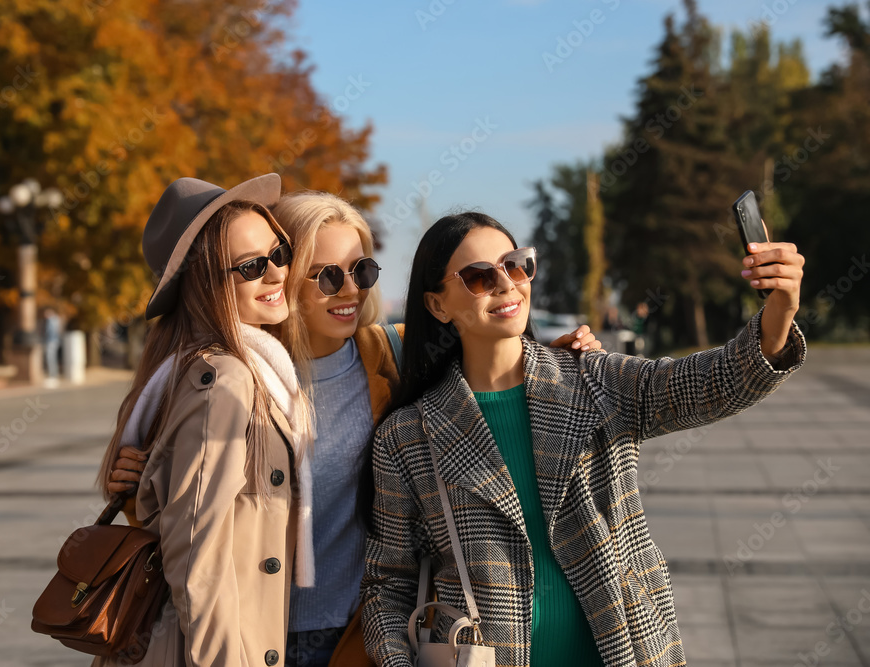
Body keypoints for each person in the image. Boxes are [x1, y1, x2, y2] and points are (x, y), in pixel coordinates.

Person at [109, 194, 602, 667]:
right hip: (249, 633)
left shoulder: (392, 357)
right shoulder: (230, 378)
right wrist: (135, 484)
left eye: (362, 270)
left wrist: (561, 359)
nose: (350, 289)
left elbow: (492, 350)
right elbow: (186, 522)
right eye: (326, 276)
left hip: (353, 634)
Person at [360, 212, 806, 667]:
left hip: (627, 651)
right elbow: (388, 585)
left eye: (515, 264)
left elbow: (714, 384)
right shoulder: (408, 437)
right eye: (478, 277)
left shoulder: (595, 380)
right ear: (438, 305)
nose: (506, 284)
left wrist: (780, 313)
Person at [94, 173, 315, 667]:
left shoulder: (203, 371)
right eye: (251, 266)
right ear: (205, 281)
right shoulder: (226, 381)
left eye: (278, 253)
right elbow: (199, 556)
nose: (277, 274)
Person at [44, 308, 62, 381]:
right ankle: (54, 374)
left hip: (51, 341)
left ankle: (53, 374)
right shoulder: (57, 320)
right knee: (53, 358)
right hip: (55, 341)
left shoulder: (51, 321)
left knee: (50, 358)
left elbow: (50, 332)